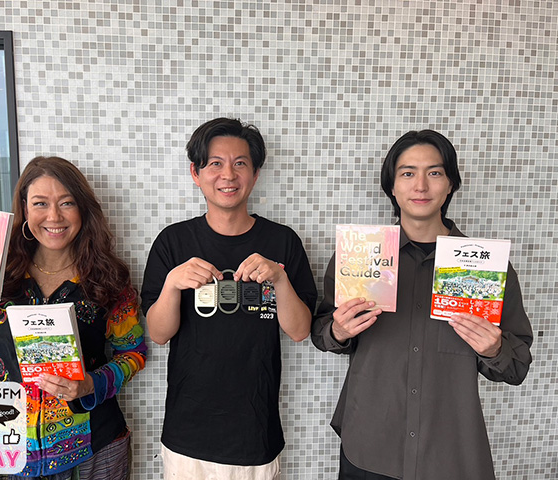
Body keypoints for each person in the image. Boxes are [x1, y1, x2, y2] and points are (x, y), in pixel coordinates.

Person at [311, 130, 533, 480]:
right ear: (392, 186)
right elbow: (322, 332)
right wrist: (337, 331)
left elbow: (516, 367)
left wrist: (494, 348)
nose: (421, 186)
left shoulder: (486, 269)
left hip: (449, 454)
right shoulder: (359, 257)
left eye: (434, 172)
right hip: (369, 448)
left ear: (450, 184)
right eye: (407, 173)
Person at [0, 156, 147, 479]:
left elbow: (133, 353)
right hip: (6, 450)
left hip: (94, 450)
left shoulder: (108, 279)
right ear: (25, 209)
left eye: (67, 203)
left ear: (82, 209)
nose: (54, 216)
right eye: (41, 203)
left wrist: (91, 384)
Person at [141, 117, 317, 479]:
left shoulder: (282, 242)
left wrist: (280, 279)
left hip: (255, 432)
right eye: (215, 163)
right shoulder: (173, 242)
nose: (228, 175)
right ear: (196, 172)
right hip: (187, 434)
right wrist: (173, 284)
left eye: (240, 163)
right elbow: (158, 334)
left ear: (255, 174)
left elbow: (300, 331)